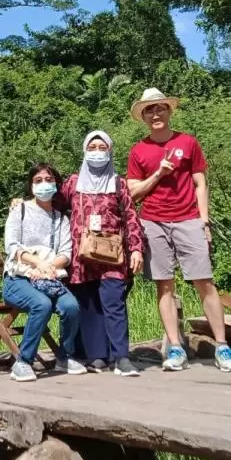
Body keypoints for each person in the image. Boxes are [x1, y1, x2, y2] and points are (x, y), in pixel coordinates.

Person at [126, 88, 231, 373]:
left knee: (204, 281)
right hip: (153, 221)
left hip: (189, 218)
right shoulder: (138, 151)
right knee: (164, 284)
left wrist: (205, 221)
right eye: (149, 110)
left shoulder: (187, 142)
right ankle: (175, 347)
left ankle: (223, 347)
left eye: (160, 108)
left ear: (169, 111)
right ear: (143, 117)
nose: (156, 114)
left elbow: (200, 183)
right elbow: (133, 193)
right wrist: (158, 174)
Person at [61, 130, 145, 377]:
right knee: (88, 306)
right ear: (85, 150)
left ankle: (121, 357)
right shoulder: (73, 183)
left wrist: (137, 249)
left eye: (102, 147)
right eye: (92, 147)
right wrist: (22, 203)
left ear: (110, 151)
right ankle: (97, 356)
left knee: (114, 303)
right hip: (81, 256)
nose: (97, 152)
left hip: (113, 255)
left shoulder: (118, 183)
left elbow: (131, 217)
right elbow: (52, 205)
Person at [2, 163, 84, 382]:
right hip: (18, 279)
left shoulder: (61, 218)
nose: (44, 185)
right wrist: (37, 263)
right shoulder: (19, 210)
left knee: (71, 306)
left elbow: (66, 253)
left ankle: (64, 356)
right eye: (38, 181)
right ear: (31, 186)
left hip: (49, 277)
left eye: (48, 180)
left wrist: (48, 268)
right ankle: (23, 361)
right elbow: (11, 245)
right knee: (42, 304)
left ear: (56, 184)